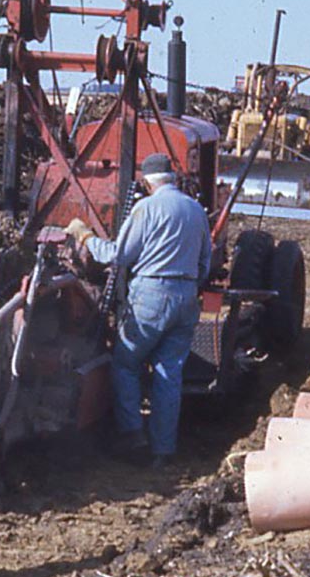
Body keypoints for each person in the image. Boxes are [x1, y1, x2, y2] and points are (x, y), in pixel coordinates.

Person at [65, 153, 211, 469]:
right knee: (168, 373)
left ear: (146, 182)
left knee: (125, 363)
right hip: (186, 296)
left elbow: (117, 255)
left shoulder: (146, 207)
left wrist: (85, 236)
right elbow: (205, 262)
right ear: (172, 178)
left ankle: (133, 434)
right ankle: (163, 450)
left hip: (151, 294)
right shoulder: (196, 209)